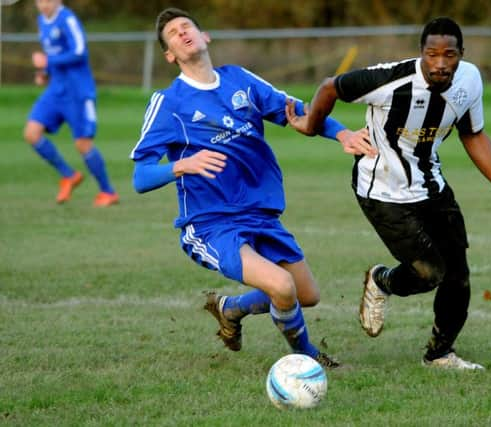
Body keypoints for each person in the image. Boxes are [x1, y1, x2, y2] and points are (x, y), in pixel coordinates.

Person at [286, 16, 491, 370]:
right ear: (421, 53)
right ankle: (382, 280)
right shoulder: (390, 80)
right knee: (429, 273)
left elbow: (473, 135)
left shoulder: (469, 80)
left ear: (461, 55)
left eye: (449, 55)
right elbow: (330, 86)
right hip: (382, 192)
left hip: (432, 187)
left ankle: (440, 354)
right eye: (432, 54)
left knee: (458, 277)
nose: (441, 63)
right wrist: (310, 125)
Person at [130, 8, 371, 368]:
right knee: (282, 287)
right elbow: (140, 176)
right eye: (173, 35)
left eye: (187, 27)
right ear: (170, 55)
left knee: (307, 294)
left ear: (204, 35)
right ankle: (308, 359)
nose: (182, 34)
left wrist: (341, 133)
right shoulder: (169, 104)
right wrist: (181, 165)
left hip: (260, 213)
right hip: (212, 222)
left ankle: (231, 309)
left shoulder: (239, 80)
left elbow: (298, 111)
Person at [24, 0, 119, 207]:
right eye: (40, 0)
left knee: (82, 144)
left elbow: (79, 51)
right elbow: (54, 54)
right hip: (55, 91)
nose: (44, 4)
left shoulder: (67, 19)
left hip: (78, 91)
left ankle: (108, 192)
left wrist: (47, 63)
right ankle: (68, 175)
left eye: (48, 0)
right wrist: (45, 73)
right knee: (31, 133)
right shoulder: (42, 20)